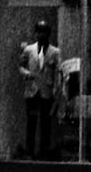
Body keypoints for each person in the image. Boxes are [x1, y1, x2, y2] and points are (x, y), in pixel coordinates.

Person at [19, 19, 60, 159]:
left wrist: (56, 88)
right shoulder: (29, 50)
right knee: (31, 121)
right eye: (39, 32)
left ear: (48, 34)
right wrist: (27, 74)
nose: (41, 35)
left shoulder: (55, 52)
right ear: (35, 33)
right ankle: (29, 150)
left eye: (44, 32)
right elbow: (21, 66)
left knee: (45, 123)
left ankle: (44, 151)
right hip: (32, 90)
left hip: (46, 91)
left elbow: (58, 72)